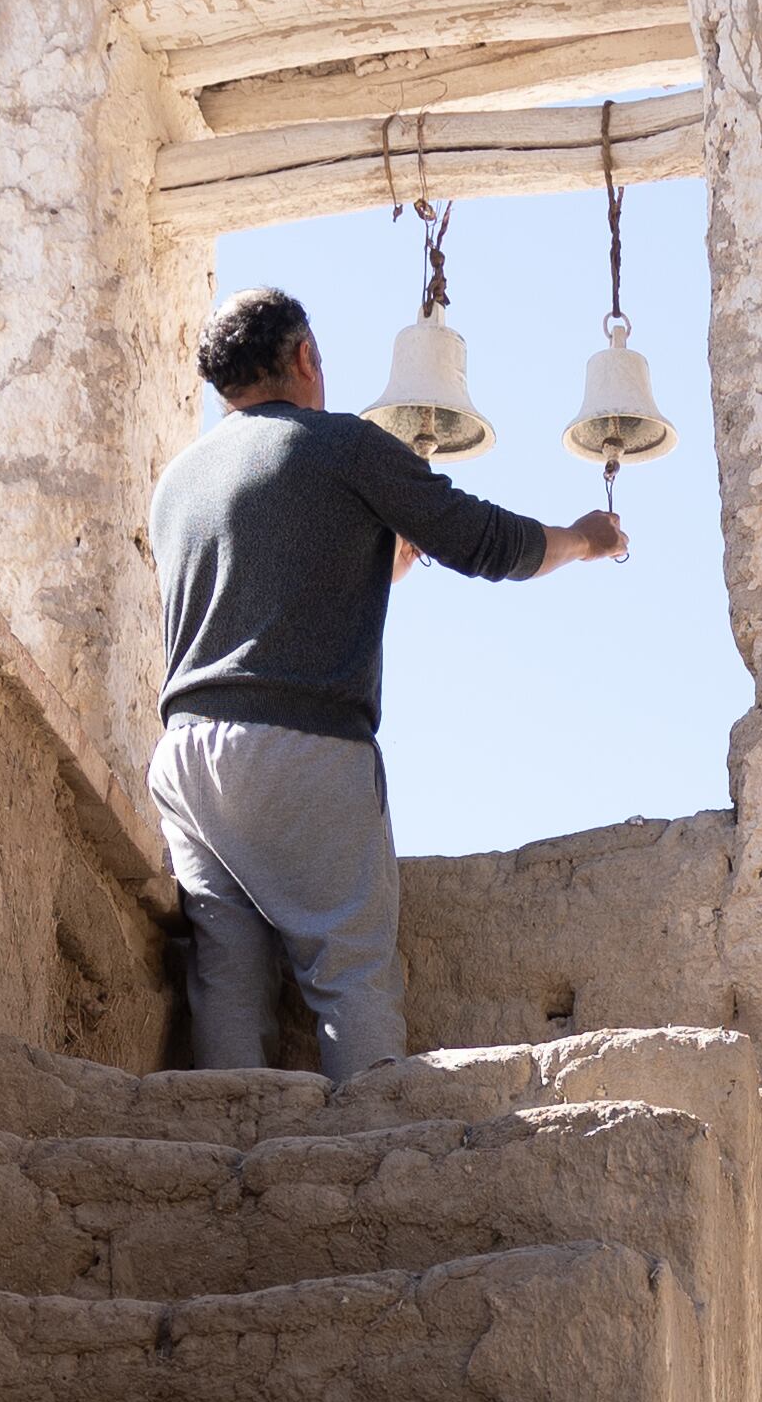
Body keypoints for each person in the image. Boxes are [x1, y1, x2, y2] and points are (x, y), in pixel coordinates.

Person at [147, 287, 627, 1080]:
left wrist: (375, 564)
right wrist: (580, 539)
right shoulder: (346, 448)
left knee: (225, 974)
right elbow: (482, 541)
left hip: (188, 758)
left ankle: (223, 1166)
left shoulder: (177, 482)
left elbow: (249, 599)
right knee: (351, 969)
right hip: (301, 750)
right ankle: (371, 1162)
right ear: (305, 357)